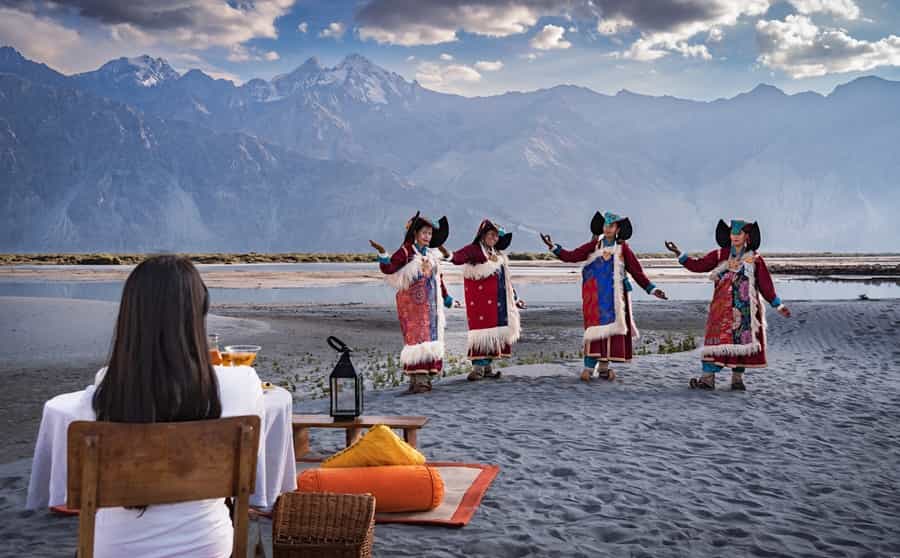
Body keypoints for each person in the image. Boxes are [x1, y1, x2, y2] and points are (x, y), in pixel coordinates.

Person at [91, 255, 263, 558]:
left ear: (131, 315)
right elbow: (256, 481)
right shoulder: (243, 384)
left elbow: (65, 494)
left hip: (117, 548)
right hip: (206, 545)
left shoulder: (108, 387)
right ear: (199, 312)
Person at [665, 219, 791, 391]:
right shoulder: (720, 254)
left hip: (745, 310)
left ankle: (737, 379)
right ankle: (707, 380)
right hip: (721, 309)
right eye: (733, 233)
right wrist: (678, 253)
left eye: (739, 233)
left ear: (747, 236)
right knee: (714, 342)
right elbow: (698, 265)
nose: (735, 236)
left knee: (742, 344)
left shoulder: (754, 259)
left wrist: (778, 305)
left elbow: (765, 285)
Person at [541, 211, 667, 382]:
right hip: (596, 297)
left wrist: (652, 289)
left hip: (615, 298)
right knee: (594, 330)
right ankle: (588, 367)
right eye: (606, 225)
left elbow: (637, 272)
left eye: (611, 226)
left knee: (611, 331)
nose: (607, 228)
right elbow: (572, 256)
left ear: (617, 229)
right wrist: (553, 247)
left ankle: (604, 367)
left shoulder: (623, 249)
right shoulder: (593, 246)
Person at [370, 212, 458, 394]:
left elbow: (438, 278)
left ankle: (423, 378)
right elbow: (389, 268)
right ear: (415, 234)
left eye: (430, 234)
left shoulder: (432, 256)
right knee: (416, 339)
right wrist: (382, 253)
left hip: (431, 305)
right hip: (412, 306)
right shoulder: (406, 252)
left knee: (430, 338)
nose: (427, 237)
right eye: (424, 233)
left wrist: (447, 297)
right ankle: (418, 380)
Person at [443, 219, 526, 381]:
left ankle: (487, 368)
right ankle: (478, 368)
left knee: (493, 333)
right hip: (480, 302)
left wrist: (515, 297)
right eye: (491, 235)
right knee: (481, 332)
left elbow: (506, 280)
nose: (494, 239)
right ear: (483, 235)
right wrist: (448, 255)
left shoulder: (496, 254)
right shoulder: (474, 250)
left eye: (496, 236)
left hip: (497, 302)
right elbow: (460, 256)